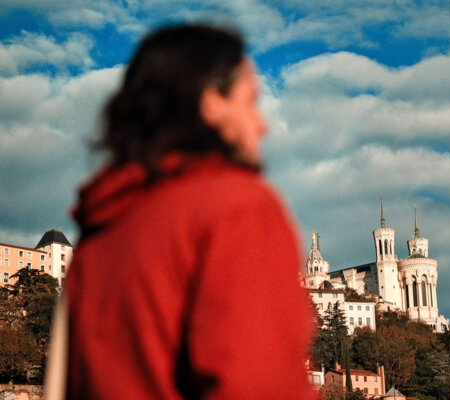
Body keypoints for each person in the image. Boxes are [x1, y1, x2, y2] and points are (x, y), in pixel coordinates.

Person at [61, 25, 317, 399]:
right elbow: (261, 386)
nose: (261, 125)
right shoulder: (235, 207)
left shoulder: (98, 235)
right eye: (250, 102)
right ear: (211, 103)